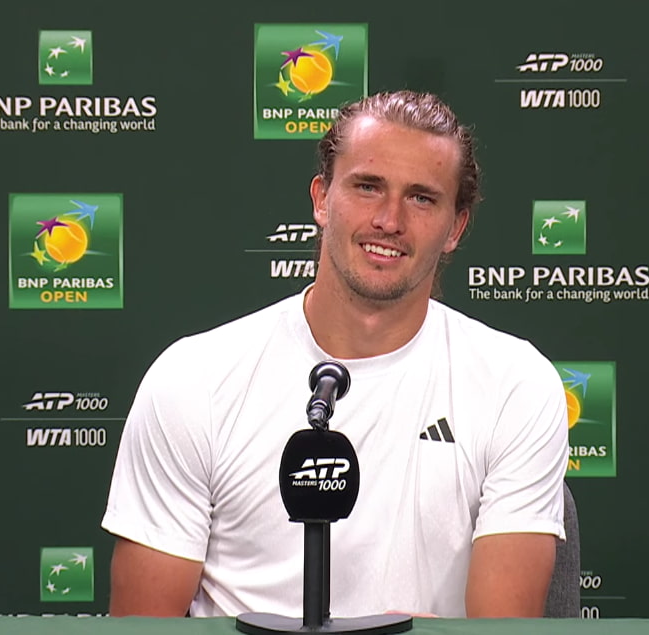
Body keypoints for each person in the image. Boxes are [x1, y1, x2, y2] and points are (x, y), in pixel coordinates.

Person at [101, 90, 569, 619]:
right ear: (322, 199)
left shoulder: (515, 385)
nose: (389, 220)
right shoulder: (193, 380)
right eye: (368, 187)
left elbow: (499, 631)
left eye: (421, 198)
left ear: (455, 228)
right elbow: (143, 629)